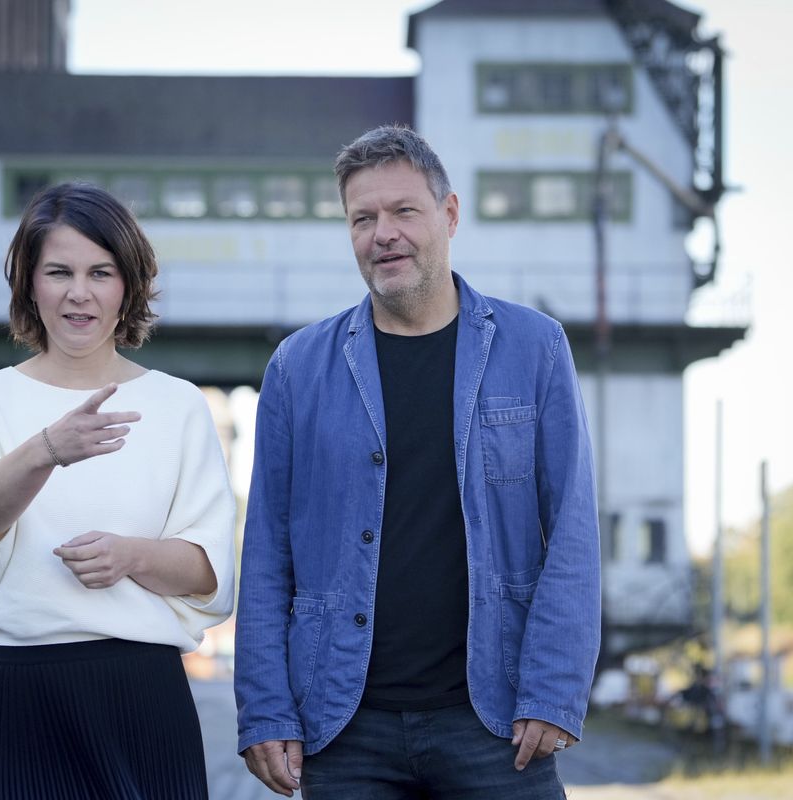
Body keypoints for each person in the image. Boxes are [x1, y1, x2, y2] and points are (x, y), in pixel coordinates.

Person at [234, 125, 601, 799]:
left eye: (404, 211)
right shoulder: (296, 368)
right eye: (363, 219)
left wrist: (554, 690)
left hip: (493, 724)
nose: (384, 234)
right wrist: (264, 708)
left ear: (449, 215)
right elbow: (264, 553)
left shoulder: (534, 347)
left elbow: (573, 531)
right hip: (343, 728)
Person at [0, 182, 236, 799]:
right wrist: (48, 449)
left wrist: (130, 556)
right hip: (21, 694)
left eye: (101, 272)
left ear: (127, 285)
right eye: (59, 272)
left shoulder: (178, 405)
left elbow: (210, 573)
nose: (80, 292)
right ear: (29, 283)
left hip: (142, 693)